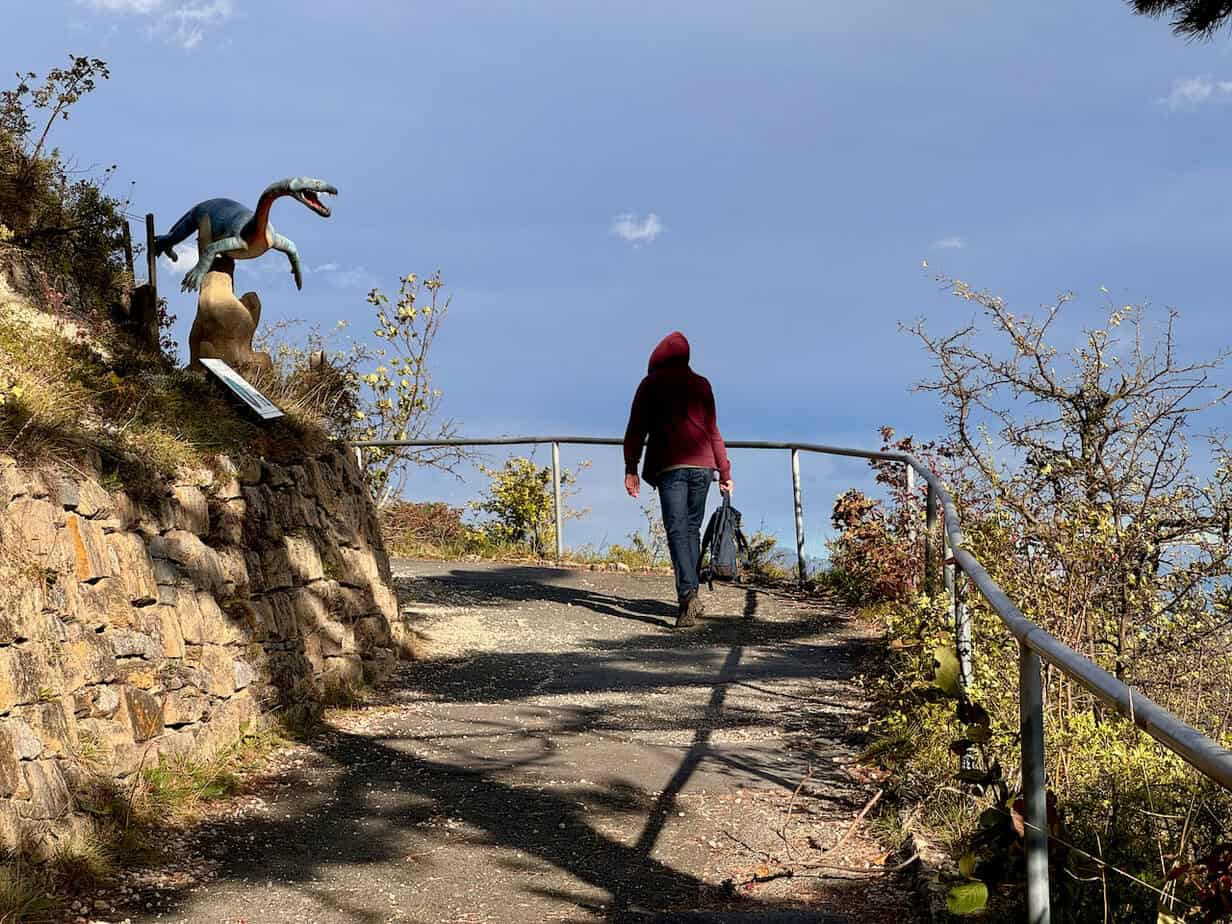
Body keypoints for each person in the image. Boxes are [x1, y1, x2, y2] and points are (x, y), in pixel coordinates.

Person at [622, 331, 733, 628]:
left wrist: (630, 467)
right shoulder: (701, 384)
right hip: (703, 468)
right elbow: (713, 431)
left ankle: (687, 598)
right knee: (691, 530)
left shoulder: (650, 384)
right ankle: (692, 592)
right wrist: (724, 472)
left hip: (670, 466)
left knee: (676, 530)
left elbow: (636, 429)